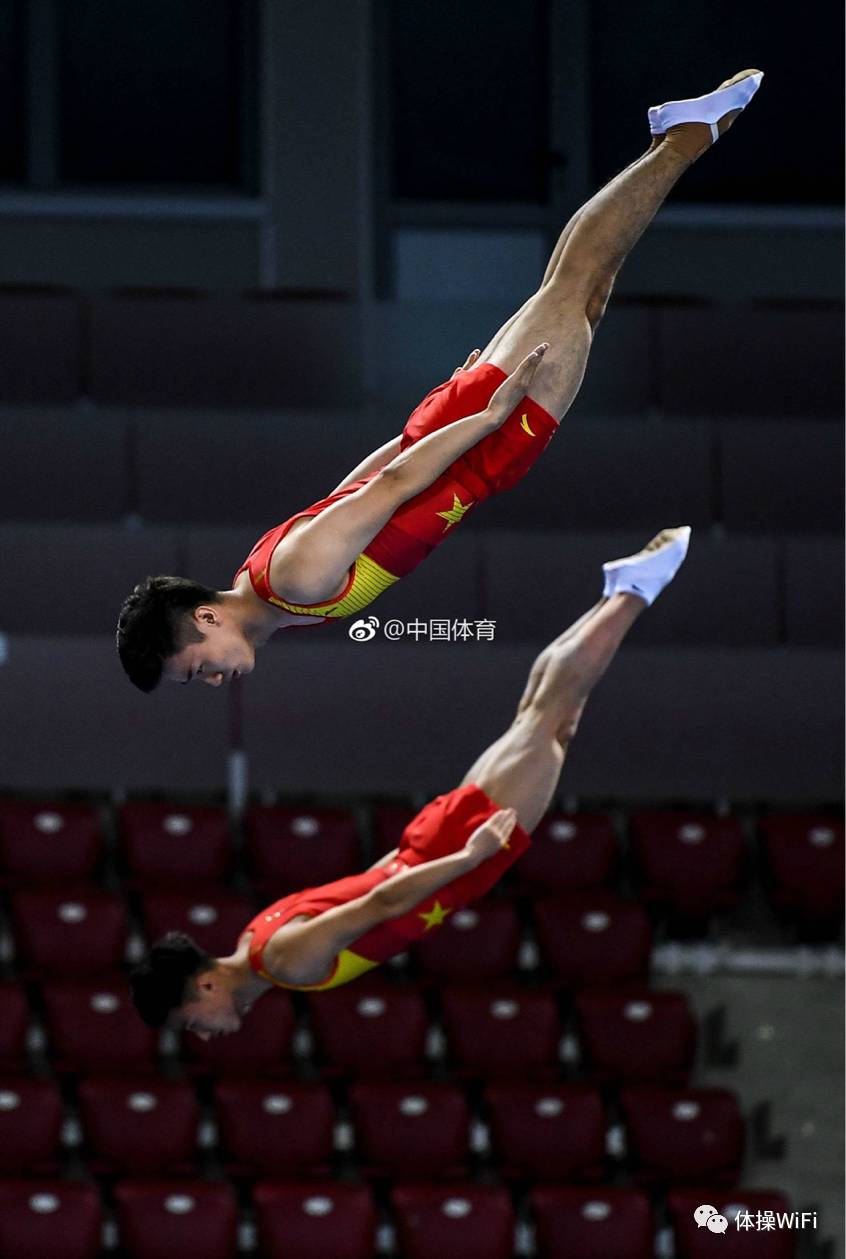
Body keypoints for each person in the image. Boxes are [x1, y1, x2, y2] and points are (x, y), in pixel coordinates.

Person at [116, 71, 760, 694]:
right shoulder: (266, 586)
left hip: (478, 441)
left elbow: (393, 485)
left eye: (197, 668)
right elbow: (358, 487)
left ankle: (685, 139)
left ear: (206, 618)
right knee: (578, 295)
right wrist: (441, 416)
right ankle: (669, 144)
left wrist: (481, 415)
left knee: (573, 286)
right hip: (462, 442)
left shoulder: (298, 581)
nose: (213, 681)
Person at [130, 526, 690, 1037]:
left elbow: (380, 903)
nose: (204, 1035)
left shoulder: (283, 960)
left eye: (191, 1024)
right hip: (431, 853)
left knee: (548, 721)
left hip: (447, 857)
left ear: (203, 987)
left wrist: (467, 858)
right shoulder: (257, 939)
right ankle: (622, 590)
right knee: (545, 718)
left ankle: (633, 591)